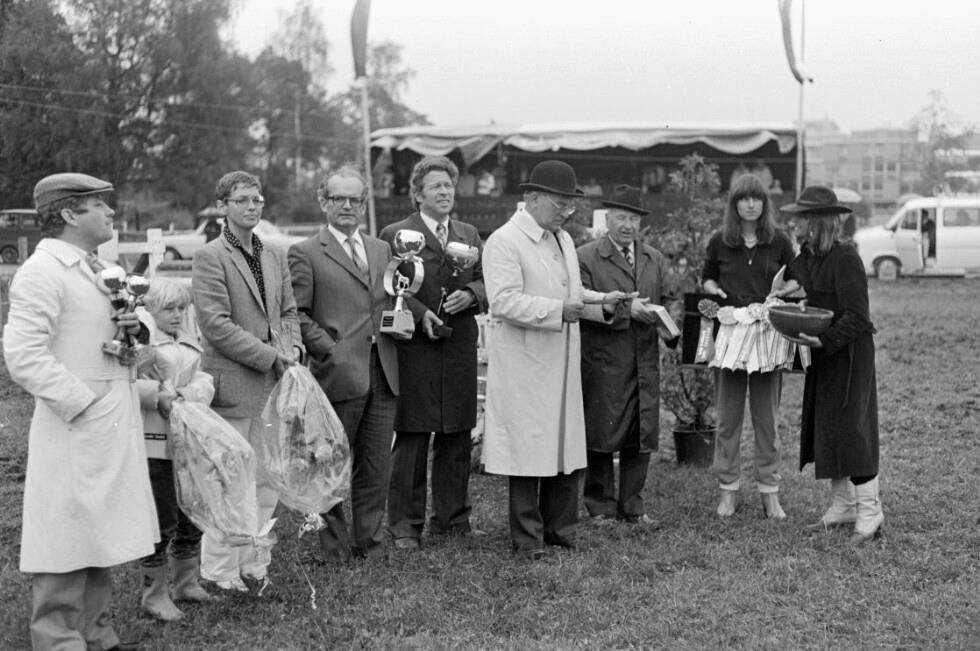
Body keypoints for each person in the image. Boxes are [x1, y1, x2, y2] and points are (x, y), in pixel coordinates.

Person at [3, 173, 158, 650]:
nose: (110, 213)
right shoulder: (42, 272)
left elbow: (108, 338)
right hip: (75, 423)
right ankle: (57, 639)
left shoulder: (97, 268)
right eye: (98, 205)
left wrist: (131, 332)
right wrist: (83, 404)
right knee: (65, 532)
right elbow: (23, 355)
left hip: (110, 417)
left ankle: (96, 634)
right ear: (69, 214)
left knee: (98, 529)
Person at [481, 160, 622, 560]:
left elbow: (572, 295)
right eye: (560, 204)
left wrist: (602, 301)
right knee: (528, 450)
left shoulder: (561, 239)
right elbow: (503, 301)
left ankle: (560, 529)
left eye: (570, 205)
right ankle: (528, 537)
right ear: (532, 198)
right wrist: (558, 311)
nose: (566, 212)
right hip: (527, 363)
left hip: (561, 360)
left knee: (564, 444)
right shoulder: (505, 241)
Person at [192, 170, 302, 595]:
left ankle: (255, 560)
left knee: (267, 477)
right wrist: (271, 356)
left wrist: (292, 347)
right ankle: (221, 568)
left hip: (273, 383)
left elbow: (288, 311)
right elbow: (216, 325)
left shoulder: (273, 254)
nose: (252, 206)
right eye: (242, 200)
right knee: (230, 479)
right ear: (223, 206)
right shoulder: (210, 256)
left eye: (257, 199)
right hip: (235, 382)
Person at [288, 166, 405, 562]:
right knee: (331, 463)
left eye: (355, 199)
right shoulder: (305, 252)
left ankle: (369, 543)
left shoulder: (381, 250)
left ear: (363, 203)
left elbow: (388, 301)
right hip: (337, 373)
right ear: (324, 202)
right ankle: (333, 548)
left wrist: (399, 323)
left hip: (383, 368)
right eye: (339, 198)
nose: (348, 206)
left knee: (375, 465)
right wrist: (329, 348)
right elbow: (297, 313)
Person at [379, 156, 488, 550]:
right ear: (418, 194)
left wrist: (471, 295)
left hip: (458, 345)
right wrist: (420, 312)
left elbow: (486, 281)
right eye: (436, 186)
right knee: (412, 435)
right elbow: (388, 285)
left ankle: (452, 520)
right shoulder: (396, 233)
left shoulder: (468, 233)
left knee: (456, 432)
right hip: (416, 347)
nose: (445, 192)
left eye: (449, 186)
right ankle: (405, 526)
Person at [780, 185, 883, 544]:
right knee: (827, 425)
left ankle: (870, 510)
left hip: (849, 353)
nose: (795, 224)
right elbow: (800, 285)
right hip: (823, 351)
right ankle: (844, 505)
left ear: (818, 222)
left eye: (801, 219)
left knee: (852, 428)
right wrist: (795, 299)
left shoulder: (846, 257)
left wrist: (825, 340)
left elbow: (858, 316)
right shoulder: (809, 255)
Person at [577, 185, 676, 525]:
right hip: (604, 358)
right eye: (621, 217)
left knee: (641, 431)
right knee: (601, 432)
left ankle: (633, 506)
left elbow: (670, 297)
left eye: (633, 219)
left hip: (644, 358)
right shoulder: (586, 257)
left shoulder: (653, 258)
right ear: (607, 219)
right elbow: (582, 304)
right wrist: (625, 311)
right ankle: (600, 507)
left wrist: (670, 324)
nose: (627, 225)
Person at [701, 173, 798, 519]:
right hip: (730, 335)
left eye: (757, 198)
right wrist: (713, 290)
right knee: (728, 419)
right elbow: (707, 277)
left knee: (766, 419)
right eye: (744, 198)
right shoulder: (719, 241)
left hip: (767, 337)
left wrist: (782, 291)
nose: (751, 204)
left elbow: (796, 279)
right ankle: (728, 491)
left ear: (765, 203)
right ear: (734, 204)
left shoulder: (780, 241)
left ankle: (769, 492)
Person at [134, 278, 215, 621]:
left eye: (182, 307)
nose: (178, 314)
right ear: (151, 308)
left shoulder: (188, 337)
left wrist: (188, 395)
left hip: (188, 439)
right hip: (155, 442)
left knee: (191, 514)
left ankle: (186, 582)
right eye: (169, 308)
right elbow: (129, 383)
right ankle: (154, 594)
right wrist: (158, 396)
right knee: (162, 517)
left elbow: (203, 378)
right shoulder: (140, 340)